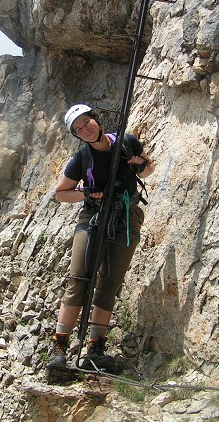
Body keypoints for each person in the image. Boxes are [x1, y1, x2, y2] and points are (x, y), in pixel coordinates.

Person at [48, 103, 154, 371]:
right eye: (79, 129)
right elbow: (61, 193)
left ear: (97, 119)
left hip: (126, 218)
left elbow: (148, 169)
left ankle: (95, 348)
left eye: (87, 123)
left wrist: (140, 164)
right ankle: (59, 347)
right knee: (79, 278)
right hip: (93, 220)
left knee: (110, 282)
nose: (85, 130)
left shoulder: (127, 142)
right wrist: (85, 192)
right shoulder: (82, 157)